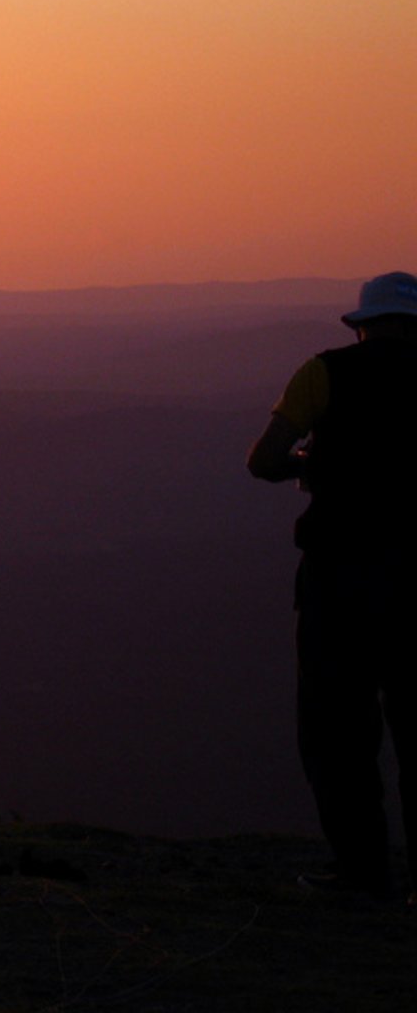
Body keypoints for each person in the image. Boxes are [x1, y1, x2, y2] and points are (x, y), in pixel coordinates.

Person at [247, 271, 417, 901]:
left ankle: (362, 874)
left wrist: (310, 463)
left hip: (340, 579)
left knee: (338, 735)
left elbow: (263, 461)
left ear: (361, 324)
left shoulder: (323, 373)